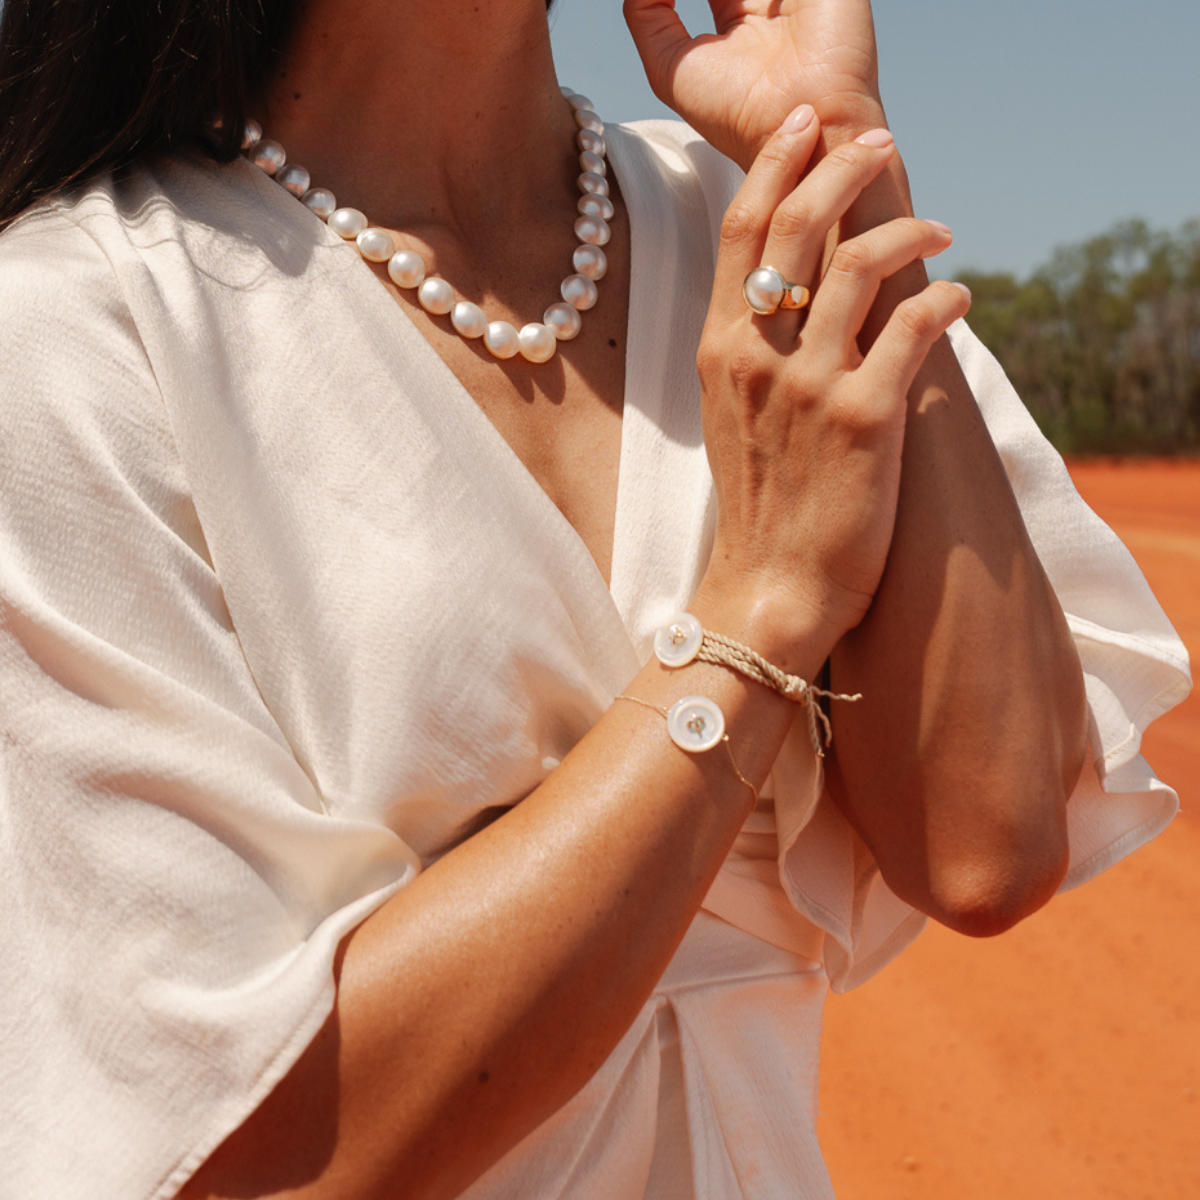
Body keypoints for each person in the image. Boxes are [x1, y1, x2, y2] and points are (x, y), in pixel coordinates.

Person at [0, 1, 1188, 1197]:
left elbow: (989, 843)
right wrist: (761, 609)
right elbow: (260, 1145)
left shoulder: (752, 211)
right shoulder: (79, 325)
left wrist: (838, 151)